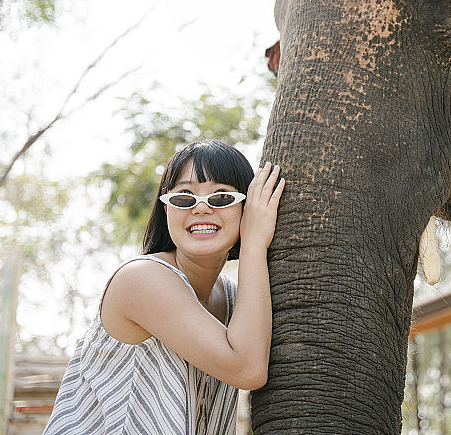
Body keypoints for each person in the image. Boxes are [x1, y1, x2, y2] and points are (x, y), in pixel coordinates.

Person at [43, 139, 284, 435]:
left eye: (221, 198)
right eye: (184, 198)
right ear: (166, 210)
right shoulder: (141, 279)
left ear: (249, 208)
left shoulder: (236, 298)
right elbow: (248, 370)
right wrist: (255, 243)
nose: (201, 209)